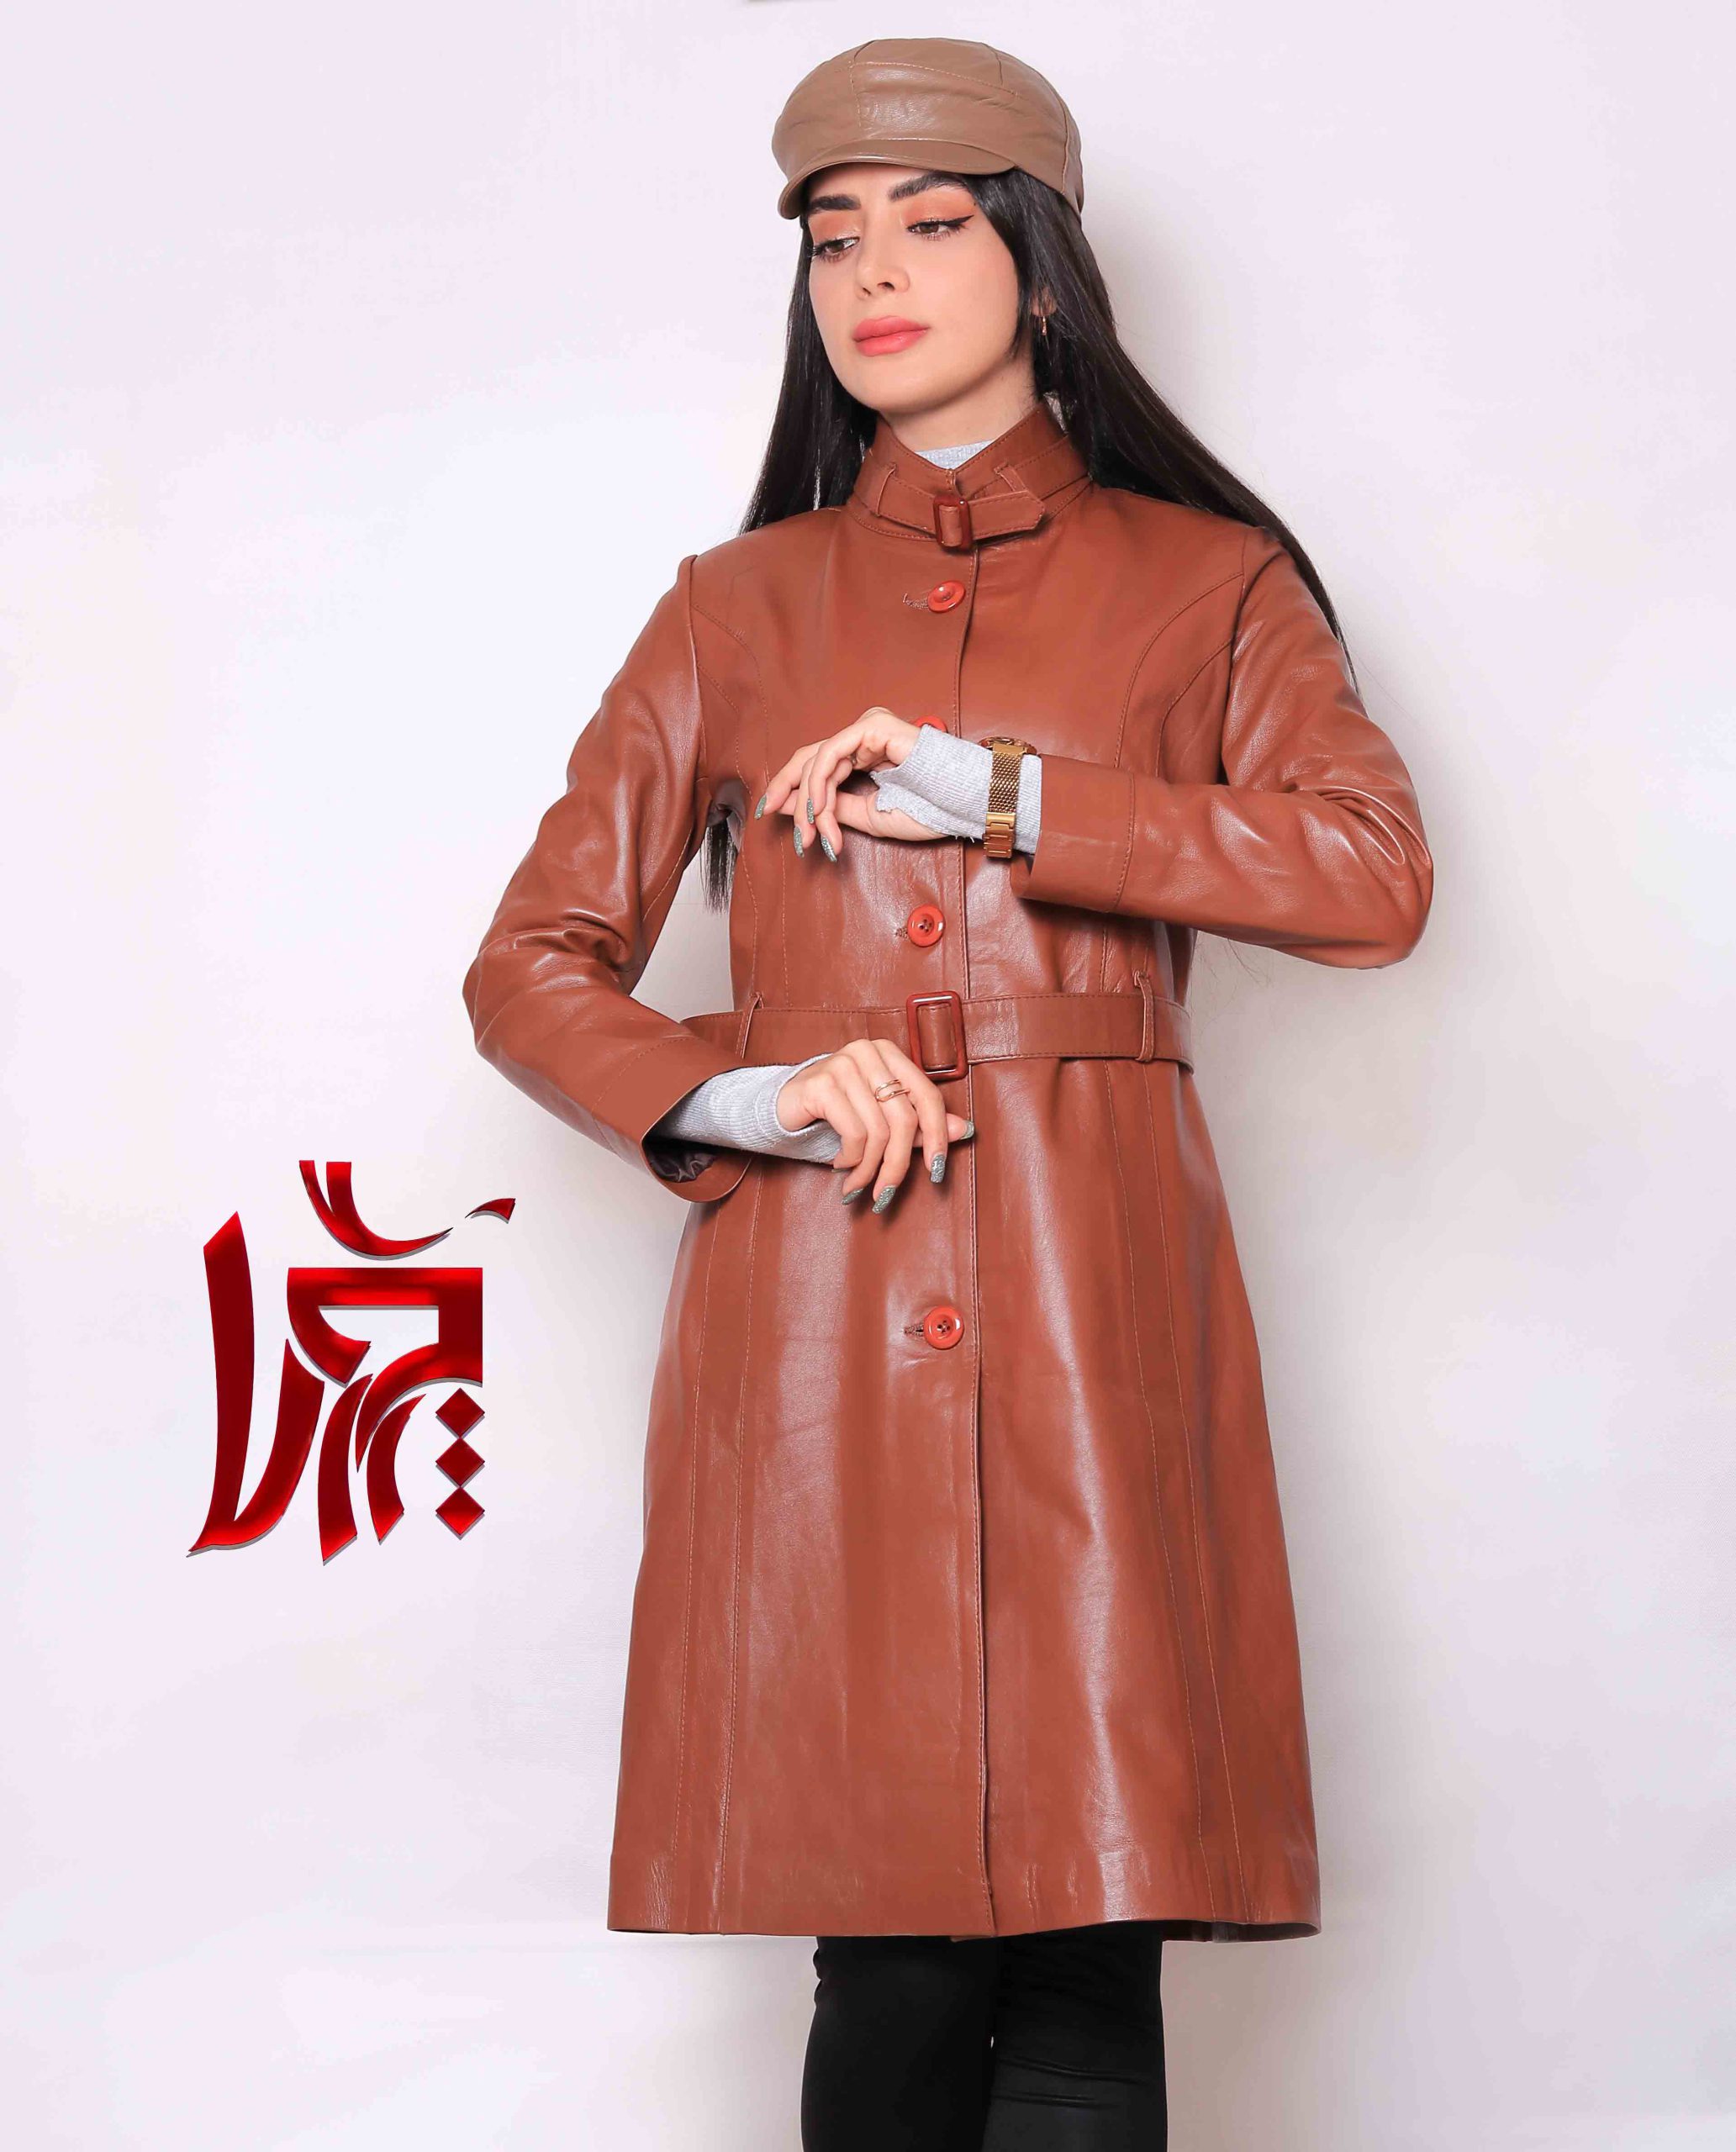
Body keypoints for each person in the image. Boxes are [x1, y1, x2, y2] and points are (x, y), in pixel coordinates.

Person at [462, 35, 1434, 2151]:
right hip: (817, 1319)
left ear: (1038, 259)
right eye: (832, 239)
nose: (872, 273)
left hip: (1098, 1302)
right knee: (888, 1948)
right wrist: (749, 1093)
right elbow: (531, 964)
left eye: (927, 223)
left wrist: (1007, 795)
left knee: (1093, 1937)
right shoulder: (735, 607)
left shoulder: (1206, 579)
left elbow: (1370, 877)